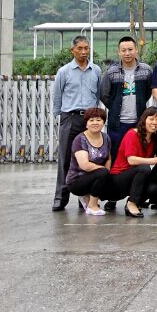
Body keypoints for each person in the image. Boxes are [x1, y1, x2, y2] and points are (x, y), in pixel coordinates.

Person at [52, 35, 103, 211]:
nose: (83, 52)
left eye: (86, 48)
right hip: (70, 118)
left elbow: (98, 95)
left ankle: (85, 197)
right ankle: (60, 197)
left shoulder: (96, 71)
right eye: (79, 48)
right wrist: (60, 117)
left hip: (89, 120)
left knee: (90, 158)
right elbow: (57, 96)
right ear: (72, 50)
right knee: (66, 159)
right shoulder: (64, 71)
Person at [99, 36, 155, 151]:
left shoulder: (146, 70)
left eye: (130, 49)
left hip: (139, 121)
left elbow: (148, 92)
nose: (127, 53)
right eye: (123, 50)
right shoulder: (111, 72)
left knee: (137, 152)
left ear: (136, 50)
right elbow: (104, 94)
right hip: (117, 123)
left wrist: (140, 101)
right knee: (116, 153)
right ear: (118, 52)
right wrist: (114, 106)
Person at [66, 106, 124, 215]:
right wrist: (103, 171)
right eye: (91, 120)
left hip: (96, 176)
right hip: (77, 180)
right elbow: (85, 165)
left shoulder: (106, 137)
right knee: (102, 173)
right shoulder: (80, 139)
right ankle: (92, 206)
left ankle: (88, 196)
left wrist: (107, 173)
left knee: (112, 182)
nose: (95, 123)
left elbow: (108, 158)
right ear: (86, 123)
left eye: (98, 120)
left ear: (103, 122)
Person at [109, 107, 157, 217]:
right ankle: (132, 203)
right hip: (119, 178)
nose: (154, 122)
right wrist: (155, 160)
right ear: (144, 120)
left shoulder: (154, 138)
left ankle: (133, 202)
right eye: (151, 119)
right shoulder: (132, 134)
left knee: (153, 188)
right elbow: (131, 160)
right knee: (144, 168)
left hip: (137, 178)